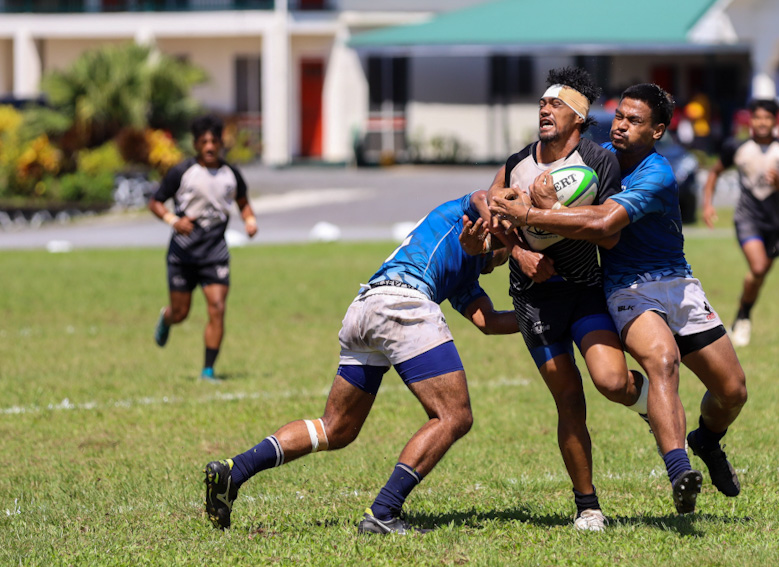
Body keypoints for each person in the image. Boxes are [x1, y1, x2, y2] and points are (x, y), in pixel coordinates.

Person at [491, 83, 748, 513]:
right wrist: (513, 235)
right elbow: (505, 184)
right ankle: (679, 470)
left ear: (657, 131)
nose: (621, 126)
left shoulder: (656, 173)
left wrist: (536, 214)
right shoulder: (594, 159)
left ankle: (707, 439)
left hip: (677, 283)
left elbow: (605, 223)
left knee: (733, 391)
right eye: (619, 117)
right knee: (662, 361)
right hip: (626, 287)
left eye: (634, 121)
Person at [203, 191, 517, 535]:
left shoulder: (465, 274)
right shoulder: (459, 215)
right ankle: (384, 512)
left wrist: (545, 318)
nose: (499, 263)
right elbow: (483, 196)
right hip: (402, 302)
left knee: (336, 428)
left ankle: (235, 471)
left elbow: (489, 321)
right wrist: (514, 241)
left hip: (366, 306)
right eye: (506, 254)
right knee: (454, 415)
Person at [479, 67, 648, 531]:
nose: (544, 109)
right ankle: (588, 506)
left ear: (579, 117)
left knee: (611, 382)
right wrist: (518, 252)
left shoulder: (599, 161)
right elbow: (492, 220)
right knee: (569, 398)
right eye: (541, 103)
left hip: (584, 287)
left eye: (555, 104)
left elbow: (609, 237)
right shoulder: (517, 163)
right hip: (533, 298)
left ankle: (649, 404)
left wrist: (545, 214)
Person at [148, 115, 258, 382]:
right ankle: (167, 317)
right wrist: (173, 220)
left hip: (214, 253)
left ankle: (208, 370)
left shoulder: (231, 174)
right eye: (204, 141)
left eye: (214, 141)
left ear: (221, 143)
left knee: (217, 308)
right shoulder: (182, 172)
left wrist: (250, 220)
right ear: (196, 144)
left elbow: (243, 202)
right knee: (181, 313)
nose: (209, 146)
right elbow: (155, 202)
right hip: (183, 254)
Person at [702, 98, 779, 347]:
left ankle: (742, 315)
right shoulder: (737, 147)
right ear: (751, 120)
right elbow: (714, 172)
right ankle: (744, 318)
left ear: (775, 121)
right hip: (746, 218)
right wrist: (708, 204)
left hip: (774, 222)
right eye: (758, 117)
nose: (762, 123)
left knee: (759, 276)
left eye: (768, 118)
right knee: (757, 268)